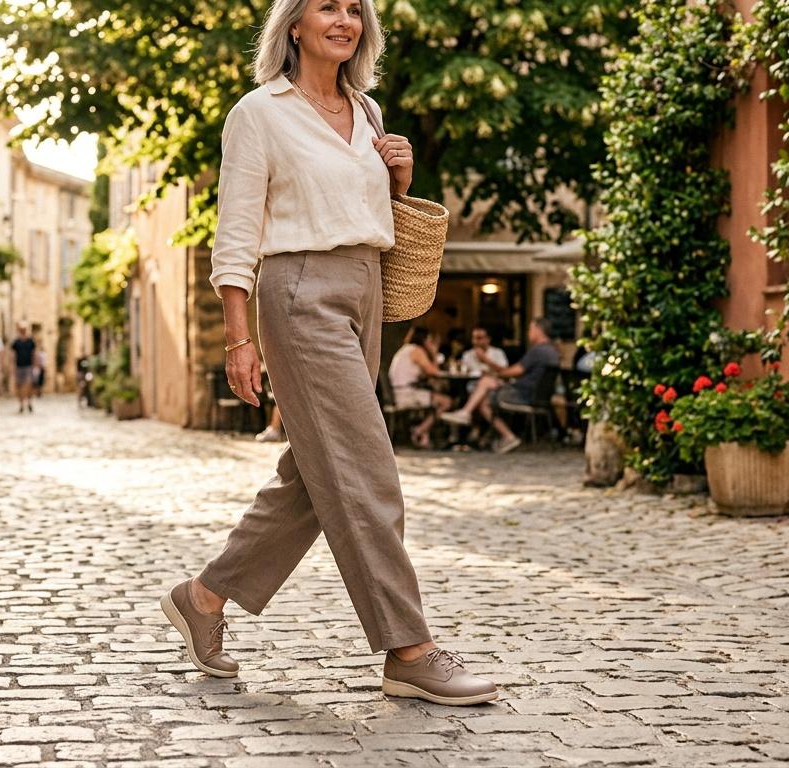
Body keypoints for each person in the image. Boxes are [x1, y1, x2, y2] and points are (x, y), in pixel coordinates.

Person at [158, 0, 497, 708]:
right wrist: (238, 338)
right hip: (299, 290)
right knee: (366, 468)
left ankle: (203, 598)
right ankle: (409, 648)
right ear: (295, 25)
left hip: (366, 288)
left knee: (315, 473)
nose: (343, 19)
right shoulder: (260, 113)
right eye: (327, 7)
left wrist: (397, 182)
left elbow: (367, 214)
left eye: (354, 9)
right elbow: (237, 233)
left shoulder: (368, 113)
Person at [440, 318, 560, 454]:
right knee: (484, 394)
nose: (528, 333)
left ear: (539, 330)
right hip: (537, 396)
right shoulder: (552, 351)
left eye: (530, 329)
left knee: (485, 388)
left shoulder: (537, 351)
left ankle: (470, 416)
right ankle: (497, 434)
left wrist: (489, 364)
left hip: (522, 394)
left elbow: (511, 372)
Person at [387, 326, 454, 448]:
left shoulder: (405, 349)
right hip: (407, 394)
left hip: (398, 392)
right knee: (446, 402)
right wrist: (434, 353)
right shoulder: (417, 351)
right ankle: (420, 431)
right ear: (425, 339)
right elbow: (433, 371)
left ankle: (423, 434)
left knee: (436, 395)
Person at [10, 322, 37, 413]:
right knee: (19, 385)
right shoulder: (16, 342)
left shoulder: (30, 341)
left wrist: (35, 365)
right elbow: (13, 355)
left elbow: (34, 354)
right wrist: (12, 366)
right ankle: (21, 404)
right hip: (19, 366)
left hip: (28, 366)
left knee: (29, 384)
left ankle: (29, 401)